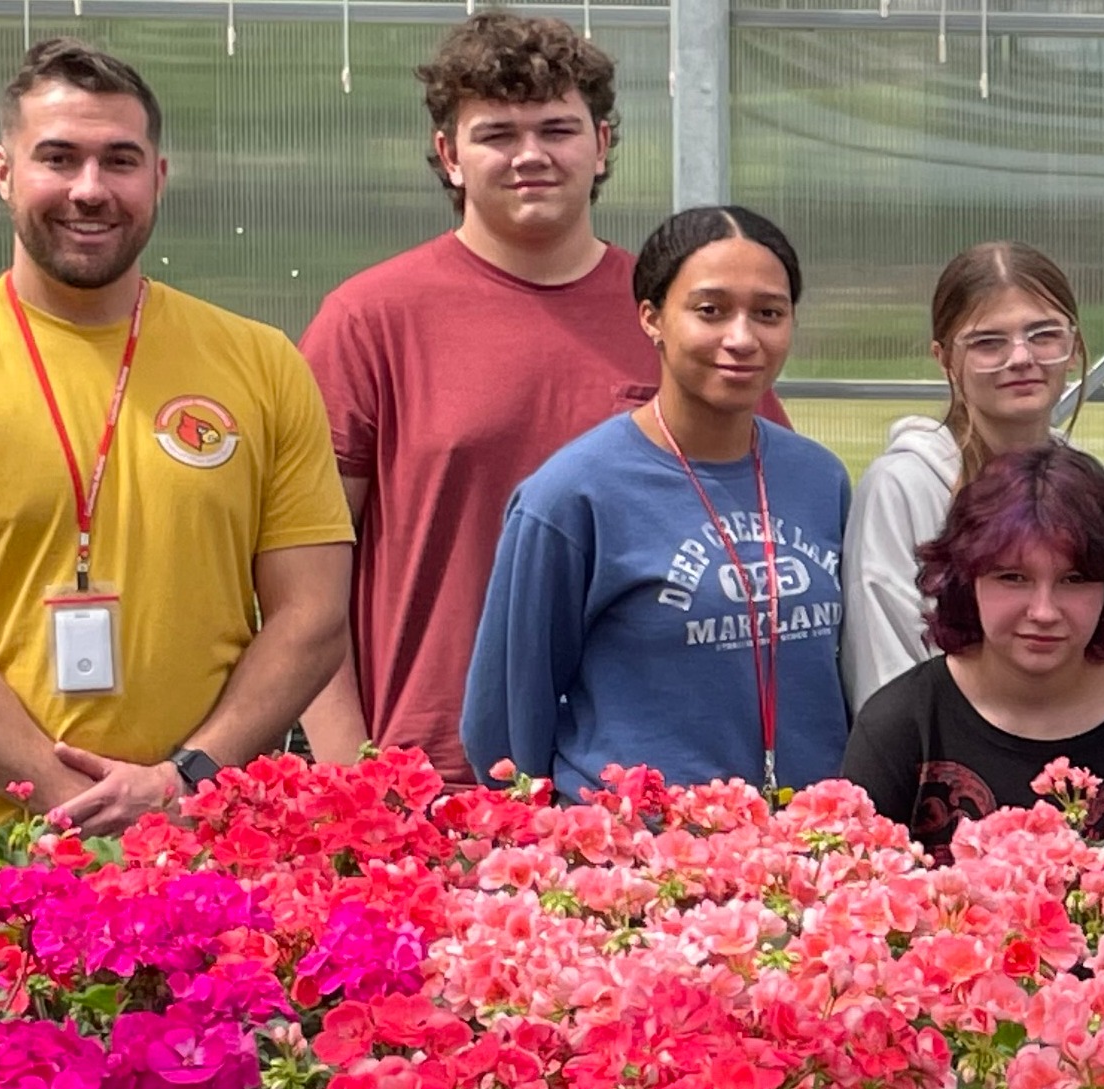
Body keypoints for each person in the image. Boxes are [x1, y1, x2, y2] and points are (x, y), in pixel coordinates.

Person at [0, 39, 353, 832]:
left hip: (207, 844)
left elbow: (312, 617)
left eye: (120, 161)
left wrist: (183, 779)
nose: (90, 189)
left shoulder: (260, 363)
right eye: (58, 158)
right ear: (3, 171)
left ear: (158, 178)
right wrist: (80, 805)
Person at [298, 12, 783, 783]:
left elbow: (764, 525)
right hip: (435, 777)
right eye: (497, 134)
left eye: (557, 129)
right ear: (448, 156)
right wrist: (351, 775)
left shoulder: (678, 316)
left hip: (648, 786)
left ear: (602, 145)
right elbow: (306, 578)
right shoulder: (369, 321)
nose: (530, 155)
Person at [461, 206, 848, 802]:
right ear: (652, 318)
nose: (742, 339)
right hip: (639, 864)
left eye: (768, 313)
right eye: (710, 311)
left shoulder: (819, 479)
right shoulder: (572, 495)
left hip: (809, 853)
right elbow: (505, 720)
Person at [842, 242, 1104, 720]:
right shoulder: (904, 486)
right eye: (988, 342)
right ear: (943, 357)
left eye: (1043, 334)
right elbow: (885, 668)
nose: (1021, 358)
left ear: (1074, 343)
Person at [844, 446, 1104, 848]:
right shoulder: (901, 726)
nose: (1043, 611)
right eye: (1013, 578)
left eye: (1074, 580)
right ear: (967, 581)